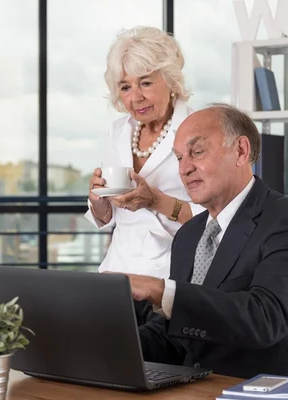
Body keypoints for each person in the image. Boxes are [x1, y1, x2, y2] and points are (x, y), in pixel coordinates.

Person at [124, 103, 288, 378]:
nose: (184, 169)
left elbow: (265, 319)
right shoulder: (188, 235)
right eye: (179, 158)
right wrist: (111, 342)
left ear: (241, 151)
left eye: (196, 152)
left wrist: (162, 290)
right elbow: (181, 333)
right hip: (198, 388)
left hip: (271, 391)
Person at [85, 26, 203, 325]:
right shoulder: (118, 131)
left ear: (171, 80)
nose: (135, 97)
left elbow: (216, 220)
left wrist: (155, 201)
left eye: (146, 83)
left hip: (171, 279)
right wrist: (98, 202)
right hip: (118, 274)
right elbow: (108, 215)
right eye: (125, 87)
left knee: (154, 362)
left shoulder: (198, 129)